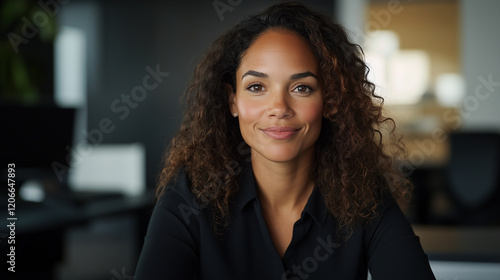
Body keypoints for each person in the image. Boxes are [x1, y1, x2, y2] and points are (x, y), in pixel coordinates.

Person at [135, 2, 436, 279]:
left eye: (302, 88)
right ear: (233, 101)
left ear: (330, 101)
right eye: (256, 87)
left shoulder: (363, 194)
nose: (279, 107)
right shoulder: (190, 194)